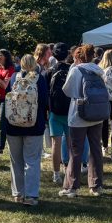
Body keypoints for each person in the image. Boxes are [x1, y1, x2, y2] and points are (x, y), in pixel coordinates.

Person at [3, 53, 47, 206]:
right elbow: (44, 101)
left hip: (13, 125)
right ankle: (31, 195)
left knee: (16, 161)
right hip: (34, 125)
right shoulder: (39, 79)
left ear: (20, 64)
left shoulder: (14, 78)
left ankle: (18, 194)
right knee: (32, 160)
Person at [61, 44, 106, 196]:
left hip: (78, 115)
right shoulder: (98, 70)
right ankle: (96, 185)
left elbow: (67, 91)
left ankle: (72, 187)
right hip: (96, 115)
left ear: (78, 57)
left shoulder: (76, 70)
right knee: (95, 150)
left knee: (75, 152)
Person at [48, 43, 72, 184]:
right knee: (69, 143)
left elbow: (46, 94)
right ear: (67, 54)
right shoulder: (72, 70)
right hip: (69, 111)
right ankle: (69, 171)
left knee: (55, 144)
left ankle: (56, 174)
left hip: (54, 112)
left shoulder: (49, 71)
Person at [0, 49, 16, 156]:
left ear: (5, 57)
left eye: (0, 55)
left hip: (6, 99)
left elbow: (5, 86)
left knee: (2, 123)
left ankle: (0, 149)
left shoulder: (10, 69)